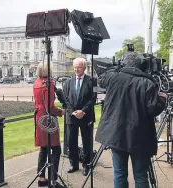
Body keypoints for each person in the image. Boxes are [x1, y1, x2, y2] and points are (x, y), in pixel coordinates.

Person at [95, 52, 167, 188]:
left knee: (119, 173)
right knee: (140, 175)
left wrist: (117, 67)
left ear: (123, 64)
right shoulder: (147, 82)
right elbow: (153, 110)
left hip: (116, 135)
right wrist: (162, 99)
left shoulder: (113, 77)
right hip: (139, 136)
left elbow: (101, 78)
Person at [62, 57, 96, 176]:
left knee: (87, 142)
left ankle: (87, 165)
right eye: (75, 67)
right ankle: (74, 164)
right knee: (71, 142)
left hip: (85, 116)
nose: (76, 69)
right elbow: (65, 99)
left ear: (84, 68)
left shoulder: (91, 81)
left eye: (79, 67)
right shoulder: (68, 82)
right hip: (71, 117)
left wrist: (83, 111)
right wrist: (72, 111)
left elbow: (93, 99)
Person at [33, 62, 65, 187]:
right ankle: (53, 179)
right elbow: (50, 107)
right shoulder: (49, 84)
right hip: (48, 118)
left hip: (39, 116)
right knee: (56, 149)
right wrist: (60, 112)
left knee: (44, 148)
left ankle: (41, 178)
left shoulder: (36, 83)